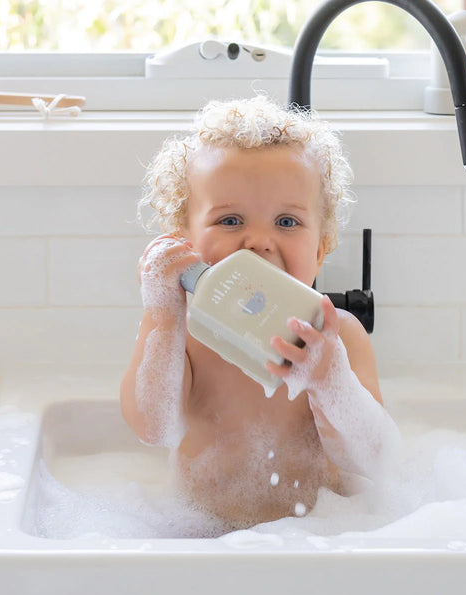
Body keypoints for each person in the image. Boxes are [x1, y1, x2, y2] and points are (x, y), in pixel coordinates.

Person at [120, 95, 399, 531]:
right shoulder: (184, 337)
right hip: (203, 536)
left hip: (321, 534)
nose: (258, 242)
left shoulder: (338, 338)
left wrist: (331, 383)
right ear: (184, 243)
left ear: (320, 249)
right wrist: (161, 313)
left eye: (286, 222)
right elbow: (152, 428)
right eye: (230, 221)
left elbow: (375, 458)